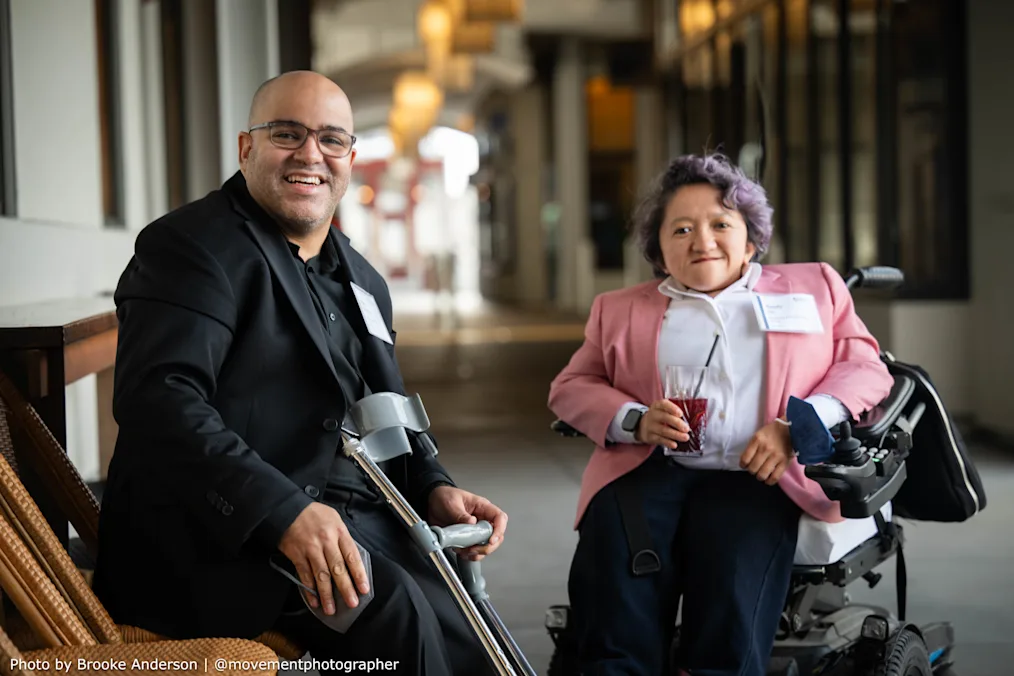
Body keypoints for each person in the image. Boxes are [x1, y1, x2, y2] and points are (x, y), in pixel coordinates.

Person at [92, 71, 507, 676]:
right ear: (246, 147)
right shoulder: (190, 247)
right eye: (287, 133)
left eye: (331, 139)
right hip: (224, 536)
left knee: (471, 624)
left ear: (348, 157)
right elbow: (160, 402)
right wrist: (282, 511)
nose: (311, 153)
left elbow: (385, 405)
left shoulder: (362, 278)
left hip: (353, 515)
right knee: (397, 614)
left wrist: (433, 485)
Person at [547, 153, 894, 676]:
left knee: (728, 613)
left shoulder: (813, 288)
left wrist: (796, 428)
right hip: (648, 473)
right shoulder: (618, 309)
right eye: (680, 229)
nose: (701, 240)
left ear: (751, 240)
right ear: (659, 250)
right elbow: (571, 386)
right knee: (616, 608)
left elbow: (866, 367)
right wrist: (635, 418)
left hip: (756, 477)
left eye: (720, 224)